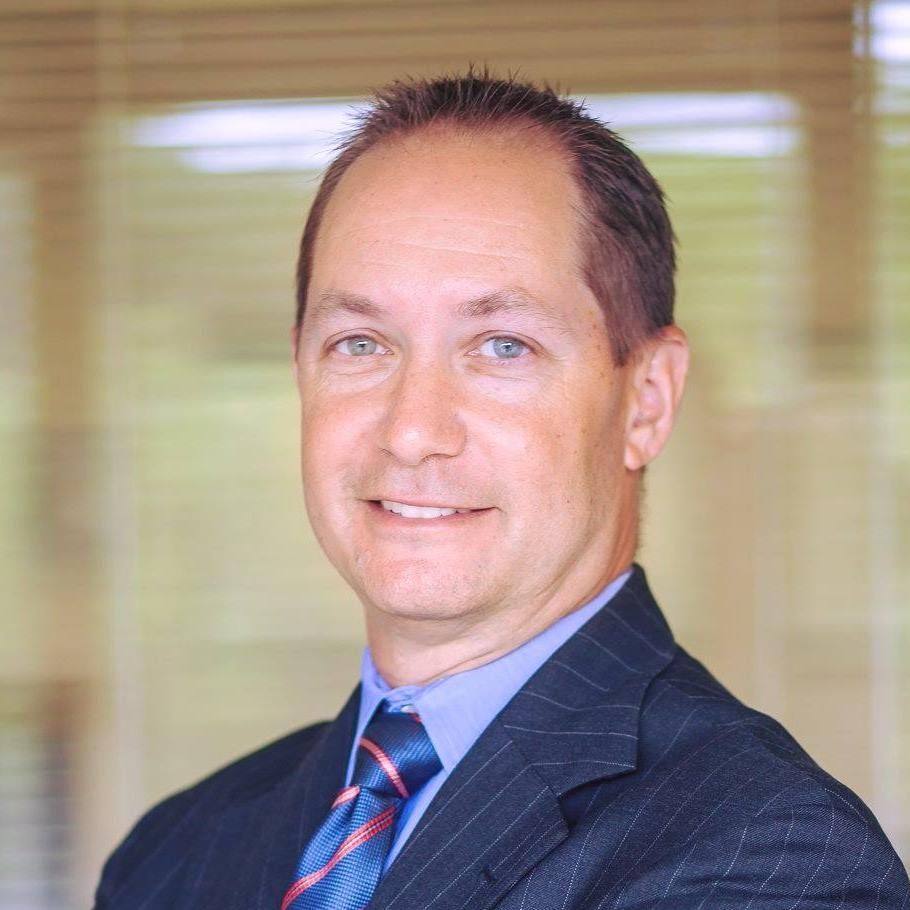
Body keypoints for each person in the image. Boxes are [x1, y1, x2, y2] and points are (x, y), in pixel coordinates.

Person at [94, 71, 909, 909]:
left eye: (503, 346)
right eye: (362, 343)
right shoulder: (175, 853)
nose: (412, 431)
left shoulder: (768, 854)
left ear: (647, 400)